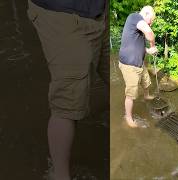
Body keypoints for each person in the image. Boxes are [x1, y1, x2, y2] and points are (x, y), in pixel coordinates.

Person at [27, 0, 107, 179]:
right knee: (68, 103)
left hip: (99, 11)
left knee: (116, 71)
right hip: (64, 15)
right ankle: (60, 175)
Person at [119, 6, 158, 128]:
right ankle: (128, 117)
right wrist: (152, 45)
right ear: (146, 13)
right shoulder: (135, 17)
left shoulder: (137, 25)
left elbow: (138, 45)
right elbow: (149, 33)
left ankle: (146, 96)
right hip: (129, 65)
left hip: (139, 63)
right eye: (151, 20)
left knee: (146, 81)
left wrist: (148, 50)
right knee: (131, 93)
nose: (151, 23)